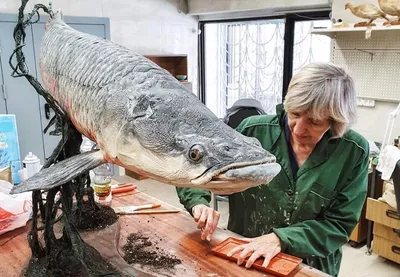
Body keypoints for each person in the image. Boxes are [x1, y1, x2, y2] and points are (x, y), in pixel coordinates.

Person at [176, 62, 369, 277]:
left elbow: (339, 225)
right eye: (294, 113)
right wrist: (198, 203)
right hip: (242, 253)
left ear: (336, 121)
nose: (298, 128)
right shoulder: (253, 131)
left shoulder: (353, 152)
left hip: (308, 266)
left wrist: (281, 239)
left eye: (314, 122)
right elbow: (194, 166)